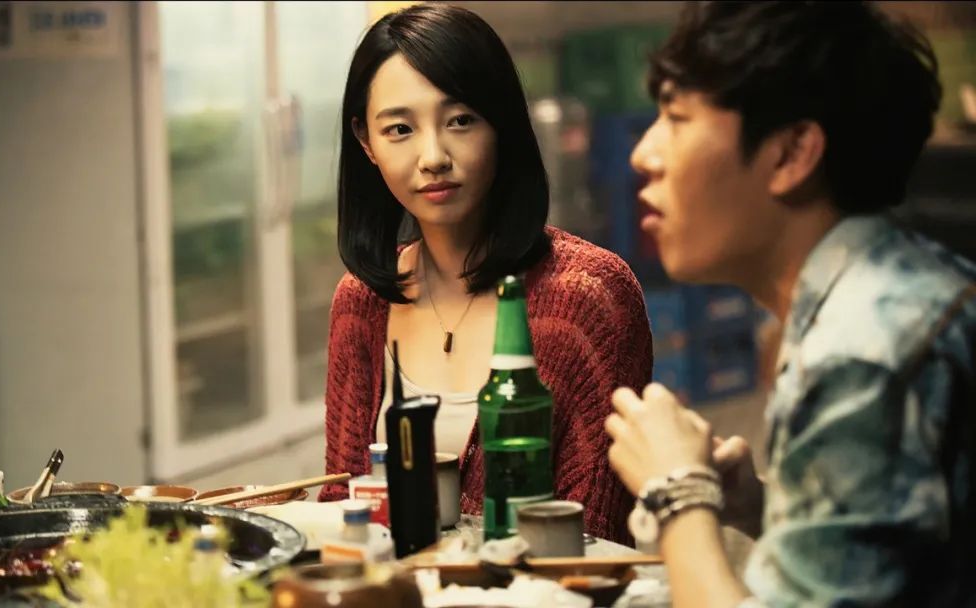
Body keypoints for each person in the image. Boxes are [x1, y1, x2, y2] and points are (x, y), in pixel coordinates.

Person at [604, 1, 976, 606]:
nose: (643, 154)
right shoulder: (890, 290)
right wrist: (768, 506)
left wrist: (679, 493)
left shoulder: (862, 354)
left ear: (791, 153)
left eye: (676, 117)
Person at [318, 3, 653, 543]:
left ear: (502, 124)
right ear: (366, 143)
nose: (433, 157)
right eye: (400, 129)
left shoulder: (590, 296)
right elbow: (343, 508)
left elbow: (594, 541)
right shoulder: (361, 301)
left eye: (460, 120)